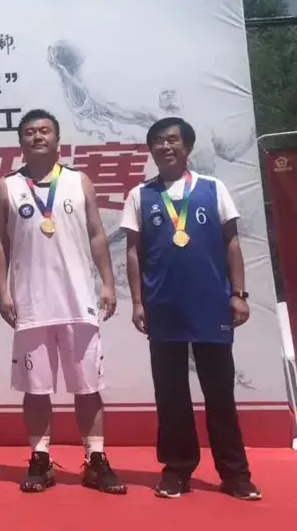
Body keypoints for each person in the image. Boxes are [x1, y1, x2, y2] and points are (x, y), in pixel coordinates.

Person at [121, 117, 261, 501]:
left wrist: (239, 294)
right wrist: (138, 302)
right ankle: (177, 470)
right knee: (171, 397)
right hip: (163, 307)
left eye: (173, 140)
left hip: (211, 306)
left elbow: (231, 243)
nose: (165, 146)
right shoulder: (140, 195)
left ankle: (235, 474)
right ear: (150, 149)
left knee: (220, 395)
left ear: (187, 146)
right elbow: (133, 252)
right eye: (158, 141)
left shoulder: (213, 188)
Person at [0, 109, 125, 494]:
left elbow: (97, 234)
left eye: (44, 131)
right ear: (20, 141)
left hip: (78, 300)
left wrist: (108, 283)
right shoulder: (6, 186)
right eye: (30, 132)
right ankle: (40, 457)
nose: (38, 137)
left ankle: (96, 458)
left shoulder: (79, 181)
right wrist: (2, 291)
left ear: (57, 138)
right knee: (36, 389)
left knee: (88, 386)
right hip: (31, 302)